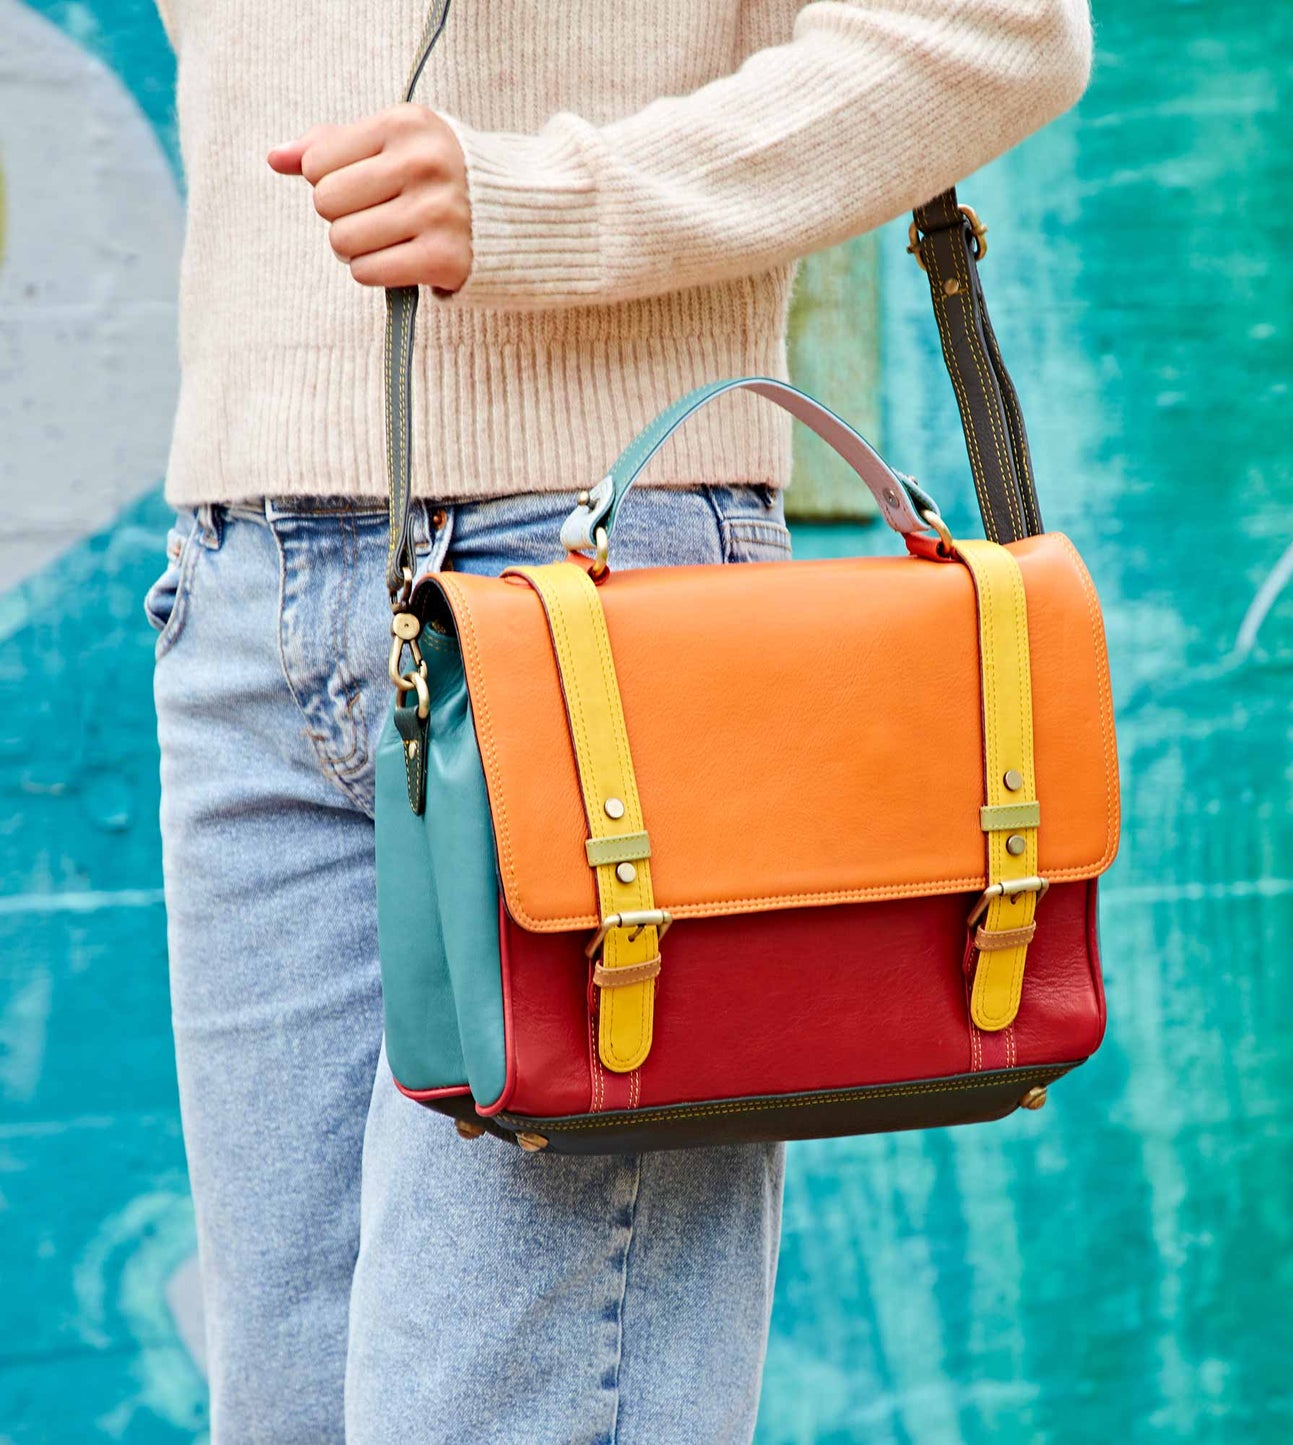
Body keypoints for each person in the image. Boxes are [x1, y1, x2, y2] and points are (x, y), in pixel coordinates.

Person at [144, 0, 1093, 1438]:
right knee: (285, 1407)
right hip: (240, 576)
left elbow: (997, 30)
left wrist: (554, 203)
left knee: (496, 1410)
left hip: (584, 587)